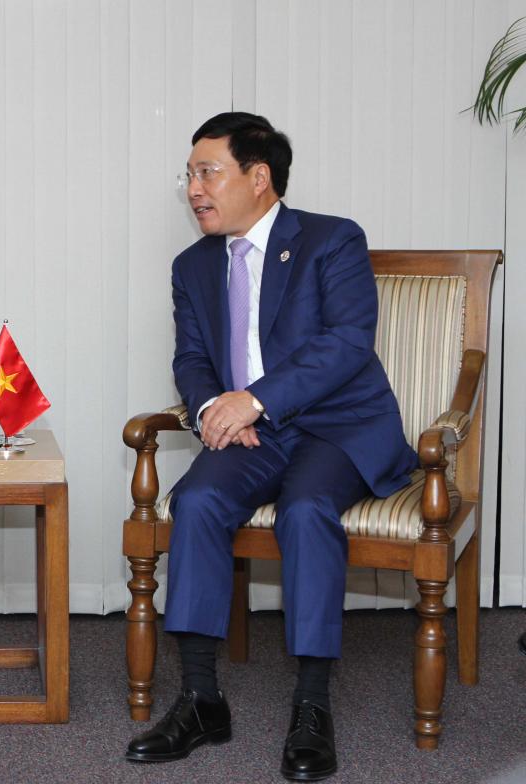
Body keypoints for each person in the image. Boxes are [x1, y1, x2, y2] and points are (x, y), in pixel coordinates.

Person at [124, 112, 417, 781]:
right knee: (195, 501)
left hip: (335, 425)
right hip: (252, 433)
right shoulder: (193, 265)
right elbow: (193, 359)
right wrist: (208, 410)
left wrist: (253, 398)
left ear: (258, 178)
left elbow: (345, 343)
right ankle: (201, 701)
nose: (194, 187)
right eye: (189, 174)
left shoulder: (331, 240)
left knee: (308, 510)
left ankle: (312, 707)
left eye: (207, 171)